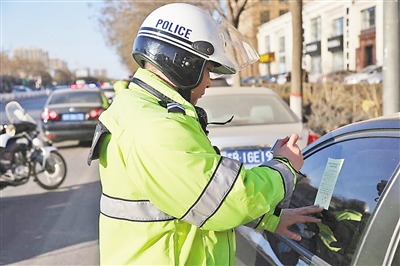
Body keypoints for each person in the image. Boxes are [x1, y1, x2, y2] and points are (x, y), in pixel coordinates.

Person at [87, 3, 323, 265]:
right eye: (208, 69)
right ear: (184, 64)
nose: (210, 81)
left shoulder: (137, 109)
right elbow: (226, 201)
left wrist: (269, 218)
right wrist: (284, 166)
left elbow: (186, 196)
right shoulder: (157, 127)